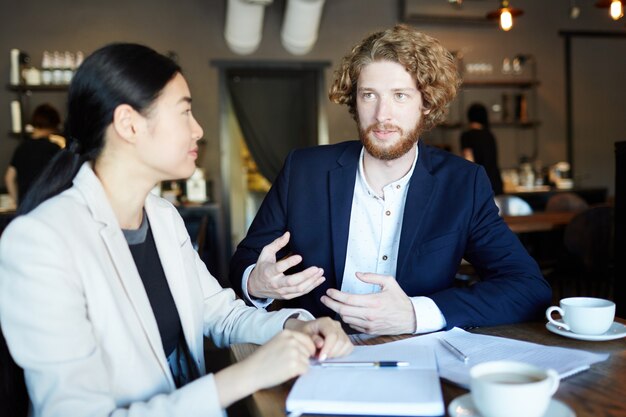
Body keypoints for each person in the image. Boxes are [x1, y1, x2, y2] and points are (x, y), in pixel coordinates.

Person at [0, 43, 352, 417]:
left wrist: (299, 325)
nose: (198, 129)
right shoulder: (41, 242)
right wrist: (242, 377)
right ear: (129, 124)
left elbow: (222, 315)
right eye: (185, 111)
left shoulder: (163, 217)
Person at [229, 24, 551, 336]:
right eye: (369, 95)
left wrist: (414, 314)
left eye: (400, 96)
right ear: (354, 100)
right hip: (319, 355)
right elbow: (245, 262)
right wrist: (255, 282)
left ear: (426, 103)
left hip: (418, 360)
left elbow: (528, 288)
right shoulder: (303, 170)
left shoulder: (463, 184)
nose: (383, 115)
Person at [4, 103, 63, 205]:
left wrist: (18, 202)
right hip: (47, 205)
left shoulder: (22, 148)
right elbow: (63, 178)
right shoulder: (54, 148)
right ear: (53, 125)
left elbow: (9, 177)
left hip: (26, 206)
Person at [460, 102, 504, 195]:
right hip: (496, 183)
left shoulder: (467, 136)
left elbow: (469, 162)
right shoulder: (489, 135)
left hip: (480, 185)